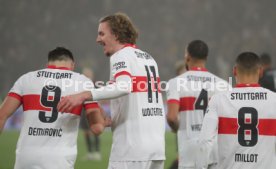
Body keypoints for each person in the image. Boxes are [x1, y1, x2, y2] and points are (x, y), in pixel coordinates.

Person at [58, 12, 165, 169]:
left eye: (102, 34)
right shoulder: (148, 58)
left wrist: (84, 95)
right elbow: (139, 98)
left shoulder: (120, 56)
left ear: (115, 34)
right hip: (156, 149)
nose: (98, 39)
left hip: (131, 149)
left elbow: (124, 86)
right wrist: (115, 117)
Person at [0, 47, 106, 169]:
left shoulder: (26, 79)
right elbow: (97, 128)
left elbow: (2, 115)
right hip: (59, 160)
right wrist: (104, 122)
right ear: (72, 65)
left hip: (25, 157)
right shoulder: (83, 82)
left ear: (48, 64)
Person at [197, 52, 276, 169]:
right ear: (260, 71)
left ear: (234, 71)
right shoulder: (274, 100)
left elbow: (205, 141)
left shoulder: (218, 100)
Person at [166, 40, 229, 169]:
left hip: (190, 150)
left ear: (187, 56)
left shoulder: (175, 83)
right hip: (214, 149)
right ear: (206, 58)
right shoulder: (223, 85)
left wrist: (175, 127)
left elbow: (171, 117)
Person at [80, 67, 102, 160]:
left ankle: (97, 153)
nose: (86, 76)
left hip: (93, 110)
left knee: (95, 130)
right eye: (84, 74)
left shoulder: (94, 84)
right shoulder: (79, 85)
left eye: (87, 74)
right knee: (86, 132)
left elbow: (100, 96)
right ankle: (89, 153)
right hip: (83, 111)